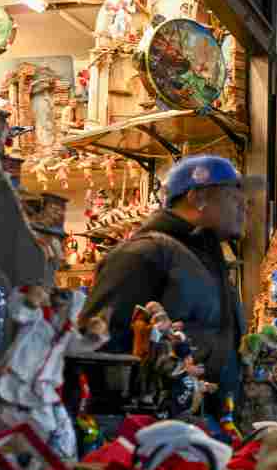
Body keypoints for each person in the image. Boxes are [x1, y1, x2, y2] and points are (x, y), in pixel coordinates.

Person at [83, 155, 259, 437]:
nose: (244, 204)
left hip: (203, 432)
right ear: (198, 197)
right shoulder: (145, 255)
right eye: (232, 194)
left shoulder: (207, 262)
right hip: (156, 439)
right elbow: (100, 352)